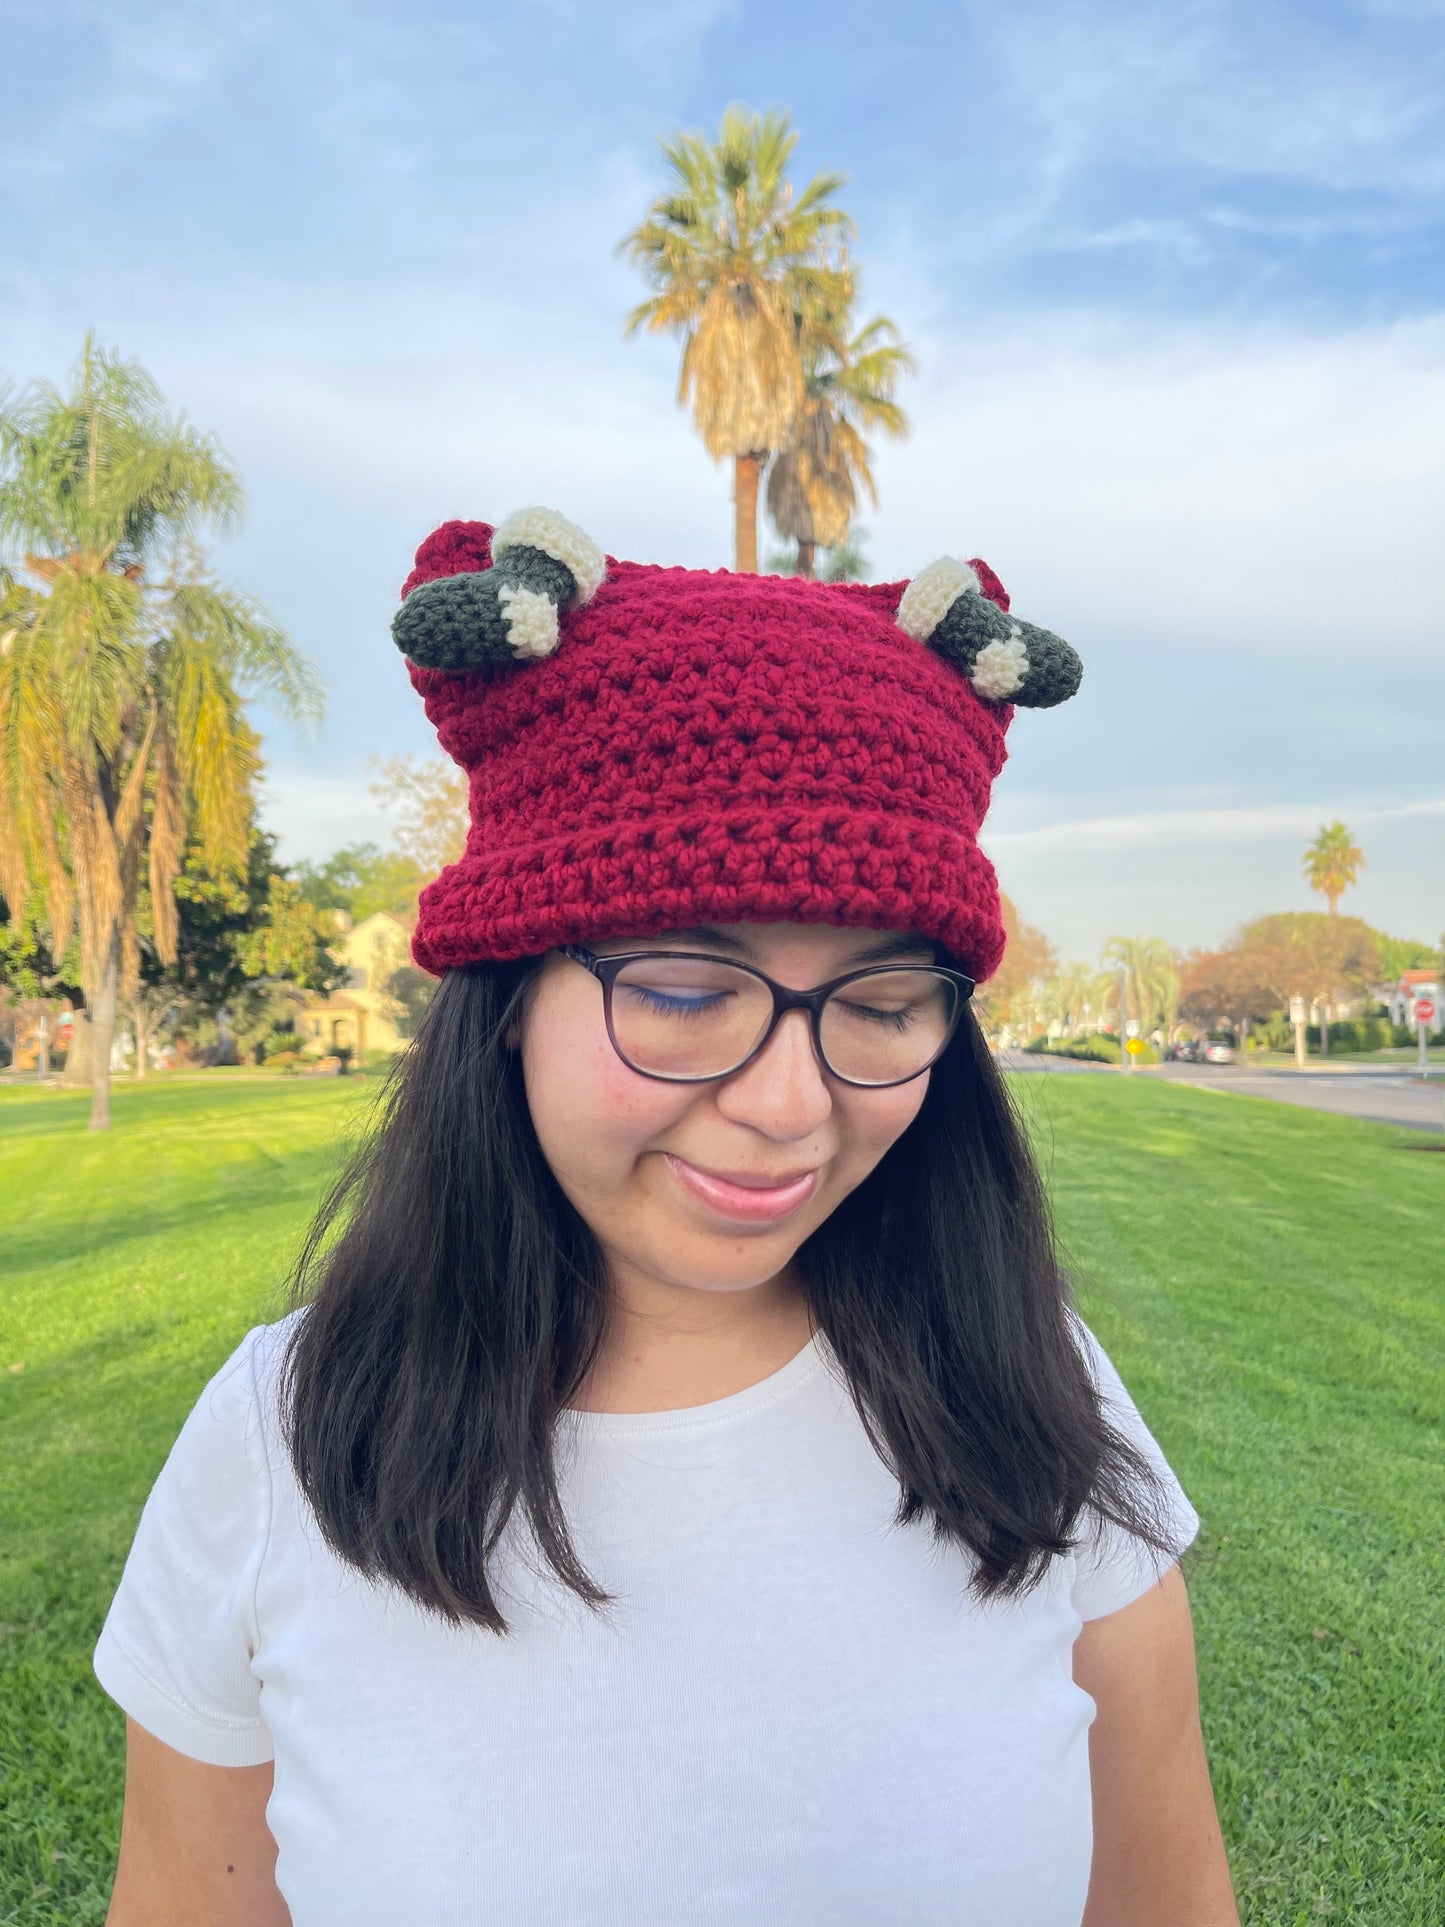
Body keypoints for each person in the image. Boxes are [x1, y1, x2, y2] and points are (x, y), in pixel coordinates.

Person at [95, 510, 1240, 1926]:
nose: (787, 1103)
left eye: (882, 1007)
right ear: (507, 1003)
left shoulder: (1025, 1382)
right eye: (686, 994)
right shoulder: (286, 1438)